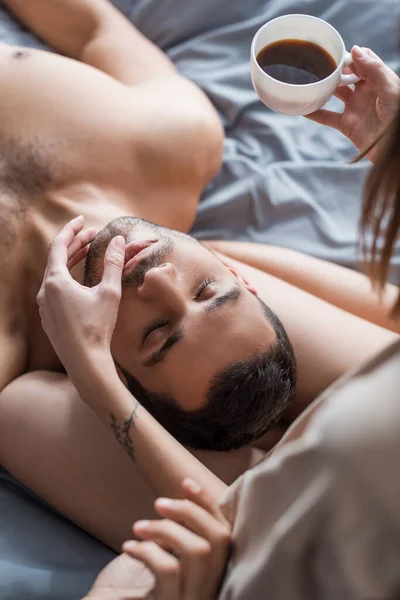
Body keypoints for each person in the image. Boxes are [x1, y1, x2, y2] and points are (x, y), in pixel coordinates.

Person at [0, 0, 398, 555]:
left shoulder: (13, 374)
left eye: (156, 332)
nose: (156, 278)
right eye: (209, 289)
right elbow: (93, 25)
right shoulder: (177, 140)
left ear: (98, 363)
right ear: (237, 274)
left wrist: (98, 382)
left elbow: (253, 554)